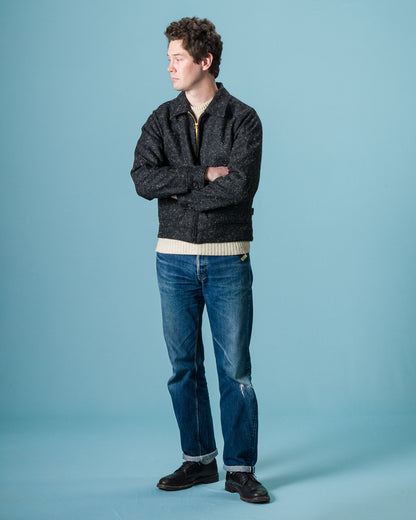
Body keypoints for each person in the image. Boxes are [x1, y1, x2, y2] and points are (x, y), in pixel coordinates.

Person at [130, 17, 269, 504]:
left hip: (228, 259)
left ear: (205, 61)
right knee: (183, 368)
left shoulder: (243, 119)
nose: (169, 67)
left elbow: (240, 187)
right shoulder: (160, 119)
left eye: (178, 58)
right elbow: (142, 179)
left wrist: (177, 193)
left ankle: (240, 469)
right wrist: (202, 175)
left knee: (235, 370)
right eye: (169, 59)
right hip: (172, 261)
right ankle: (199, 460)